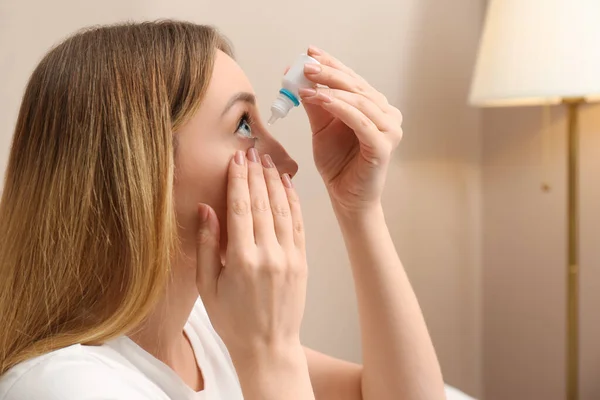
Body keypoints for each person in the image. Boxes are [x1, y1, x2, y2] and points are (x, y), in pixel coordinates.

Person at [0, 21, 445, 400]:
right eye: (244, 125)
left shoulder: (198, 330)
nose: (288, 164)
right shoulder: (66, 387)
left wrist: (359, 210)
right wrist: (269, 351)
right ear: (141, 170)